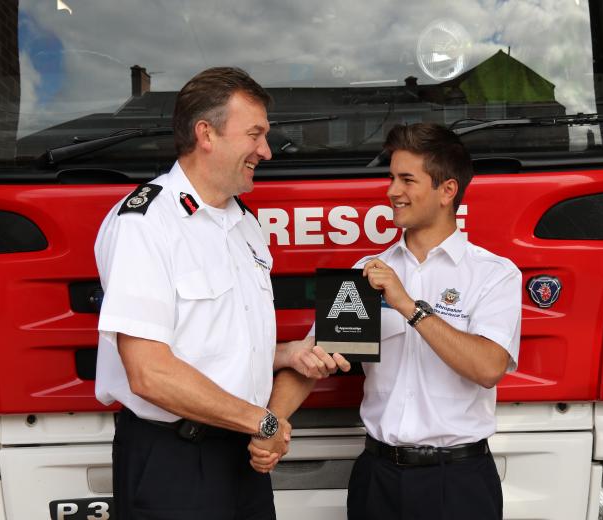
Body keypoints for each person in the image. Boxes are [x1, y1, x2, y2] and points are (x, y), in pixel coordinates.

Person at [94, 67, 346, 520]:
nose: (265, 151)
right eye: (255, 134)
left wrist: (288, 354)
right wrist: (265, 422)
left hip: (243, 454)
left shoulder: (243, 225)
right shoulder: (146, 223)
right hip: (176, 462)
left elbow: (214, 344)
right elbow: (150, 372)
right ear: (206, 134)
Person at [252, 123, 522, 518]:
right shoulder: (366, 271)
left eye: (407, 179)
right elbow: (311, 362)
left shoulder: (493, 273)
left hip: (458, 482)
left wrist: (408, 305)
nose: (392, 191)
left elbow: (488, 367)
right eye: (391, 177)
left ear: (447, 191)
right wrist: (269, 427)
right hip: (378, 480)